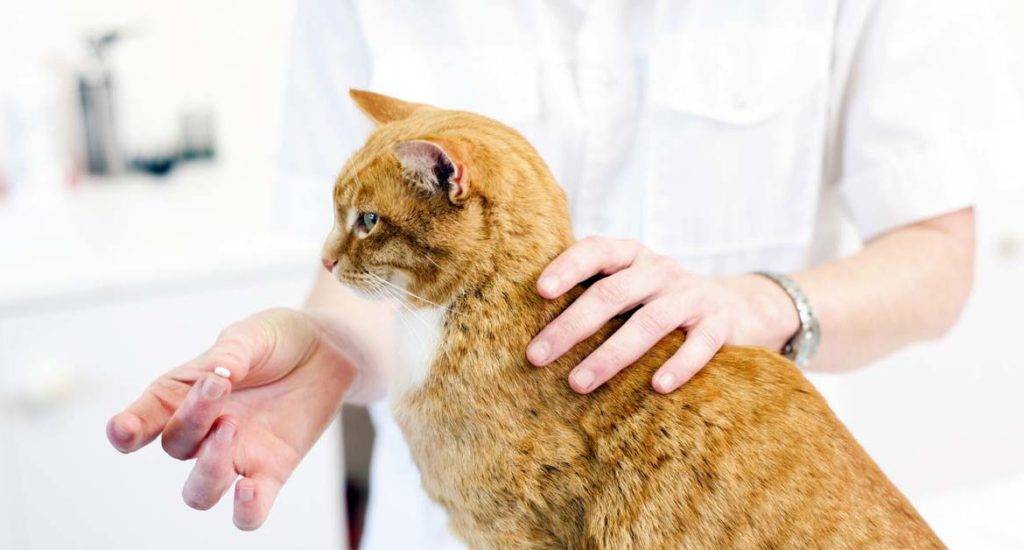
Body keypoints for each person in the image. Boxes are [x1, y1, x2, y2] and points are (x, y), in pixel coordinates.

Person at [106, 1, 1019, 547]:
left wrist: (756, 305)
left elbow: (938, 254)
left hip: (733, 504)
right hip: (460, 519)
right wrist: (325, 348)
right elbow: (372, 263)